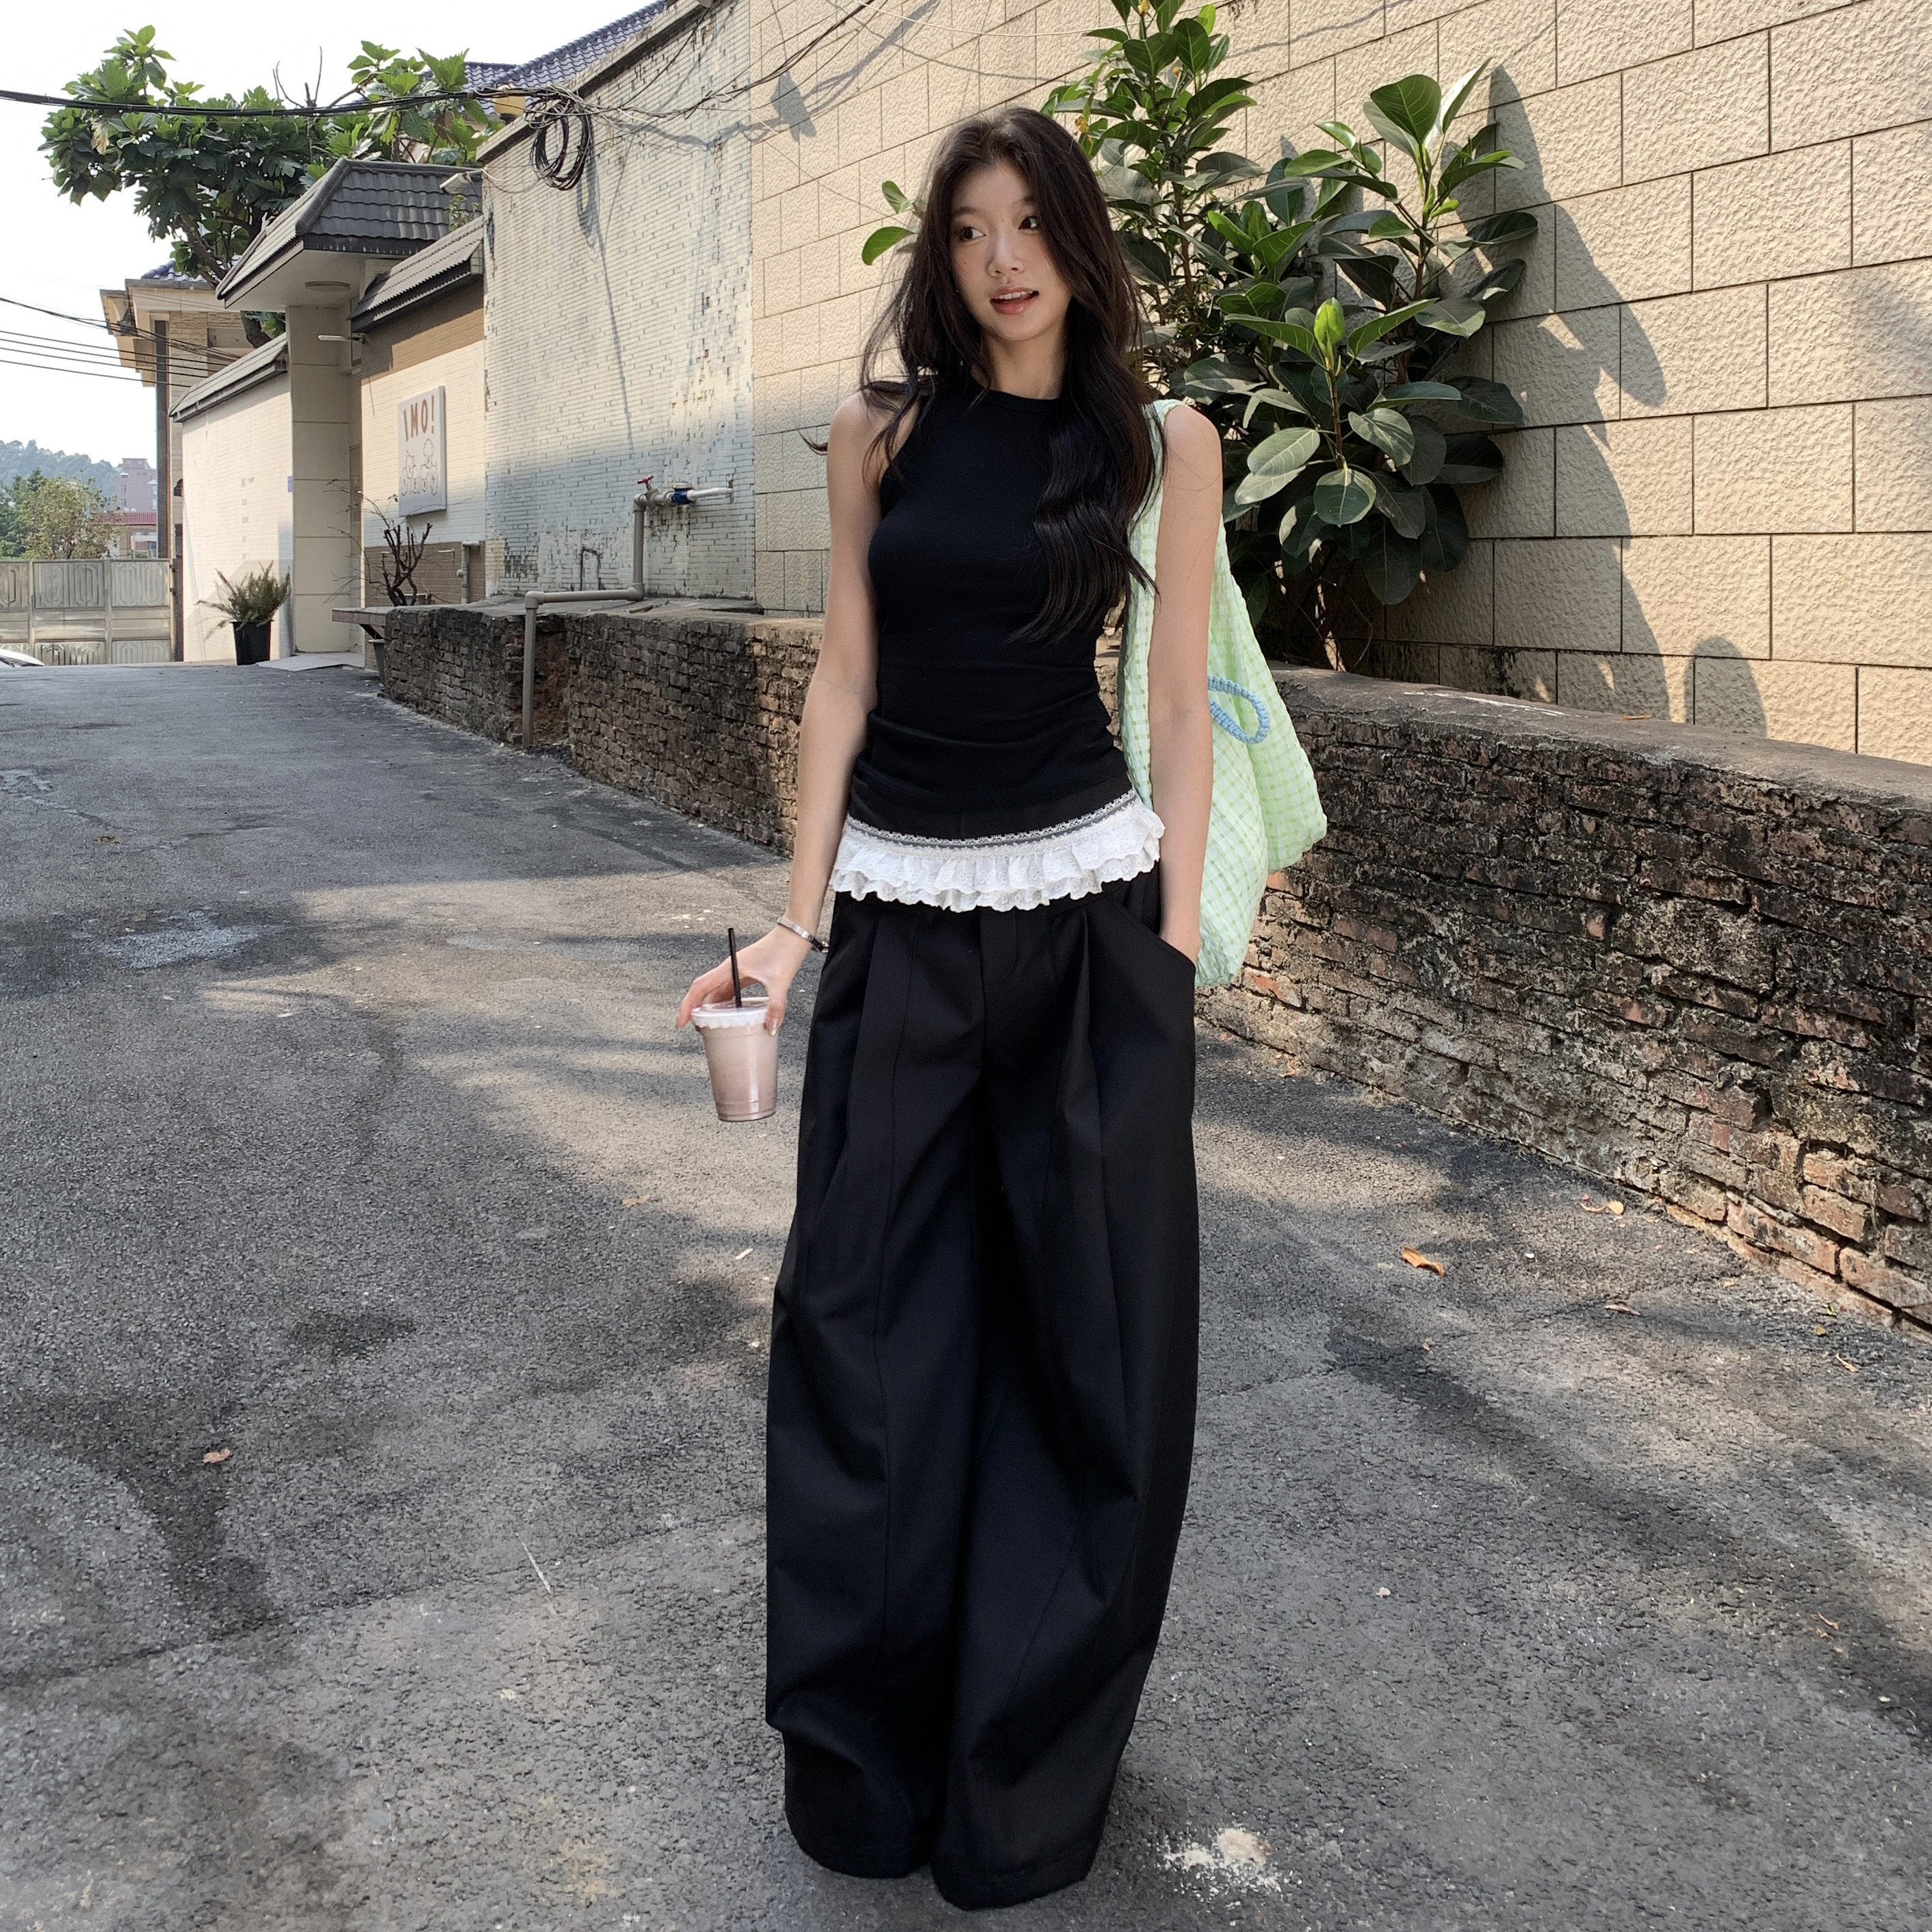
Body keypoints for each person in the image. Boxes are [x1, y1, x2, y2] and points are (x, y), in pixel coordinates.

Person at [676, 103, 1221, 1911]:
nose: (1004, 260)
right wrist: (794, 927)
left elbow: (1175, 702)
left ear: (1078, 237)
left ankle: (1021, 1787)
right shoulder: (882, 436)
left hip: (1087, 928)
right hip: (903, 927)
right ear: (942, 254)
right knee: (859, 1332)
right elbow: (844, 676)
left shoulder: (1158, 442)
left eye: (1032, 224)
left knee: (1090, 1350)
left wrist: (1174, 947)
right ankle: (866, 1774)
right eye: (972, 229)